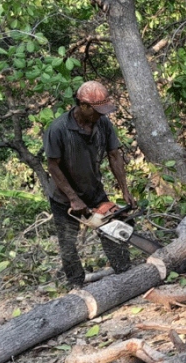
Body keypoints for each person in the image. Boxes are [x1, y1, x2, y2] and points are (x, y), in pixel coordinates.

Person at [43, 80, 137, 288]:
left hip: (93, 190)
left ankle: (124, 271)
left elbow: (114, 155)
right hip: (63, 195)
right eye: (96, 111)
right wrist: (73, 199)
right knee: (68, 241)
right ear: (83, 105)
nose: (100, 115)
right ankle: (76, 285)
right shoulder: (58, 129)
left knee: (115, 224)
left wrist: (125, 190)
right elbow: (53, 166)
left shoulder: (103, 124)